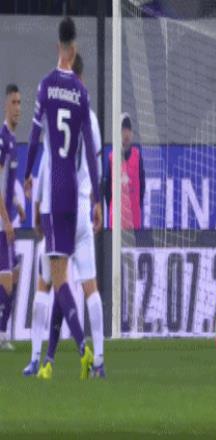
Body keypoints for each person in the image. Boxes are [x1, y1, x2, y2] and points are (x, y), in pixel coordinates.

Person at [23, 17, 101, 380]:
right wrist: (98, 198)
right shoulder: (82, 94)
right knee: (64, 278)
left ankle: (83, 347)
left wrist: (27, 174)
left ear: (59, 46)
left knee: (58, 278)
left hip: (55, 191)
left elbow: (34, 136)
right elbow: (92, 152)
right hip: (76, 191)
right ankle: (56, 356)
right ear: (75, 48)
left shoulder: (46, 85)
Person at [0, 83, 24, 350]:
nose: (18, 108)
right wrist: (7, 221)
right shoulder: (2, 139)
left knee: (15, 274)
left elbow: (7, 185)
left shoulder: (13, 140)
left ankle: (2, 331)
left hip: (6, 218)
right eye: (14, 103)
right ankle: (2, 333)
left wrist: (18, 203)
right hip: (1, 223)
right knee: (7, 283)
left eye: (20, 103)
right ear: (7, 105)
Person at [104, 113, 145, 229]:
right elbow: (107, 189)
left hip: (134, 220)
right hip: (116, 220)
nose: (126, 134)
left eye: (128, 130)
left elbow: (142, 186)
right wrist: (113, 207)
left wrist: (137, 205)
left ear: (132, 134)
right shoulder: (112, 158)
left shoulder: (137, 156)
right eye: (123, 130)